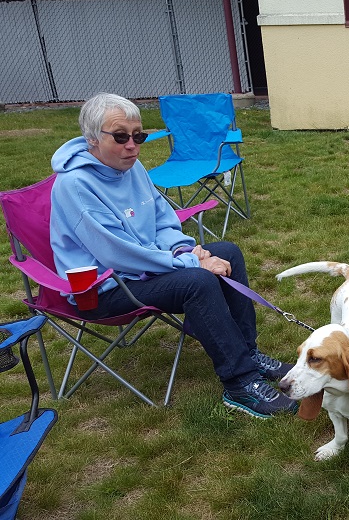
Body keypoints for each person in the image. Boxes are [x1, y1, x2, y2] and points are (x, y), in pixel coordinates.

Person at [49, 93, 296, 419]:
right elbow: (119, 253)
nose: (132, 146)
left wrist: (183, 248)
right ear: (92, 139)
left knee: (228, 252)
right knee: (197, 281)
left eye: (138, 136)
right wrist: (191, 262)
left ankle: (248, 353)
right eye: (120, 136)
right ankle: (240, 382)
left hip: (145, 270)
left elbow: (163, 220)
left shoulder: (132, 168)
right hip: (105, 288)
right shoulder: (74, 185)